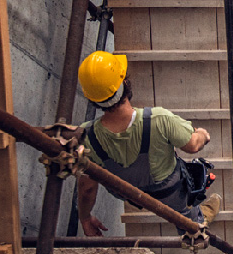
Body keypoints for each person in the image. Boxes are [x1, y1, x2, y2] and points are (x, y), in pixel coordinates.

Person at [74, 51, 221, 236]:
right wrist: (202, 135)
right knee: (185, 211)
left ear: (92, 98)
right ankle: (196, 225)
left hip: (131, 195)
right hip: (169, 193)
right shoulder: (159, 120)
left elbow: (87, 188)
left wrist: (85, 218)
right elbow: (192, 146)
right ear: (125, 83)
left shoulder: (86, 137)